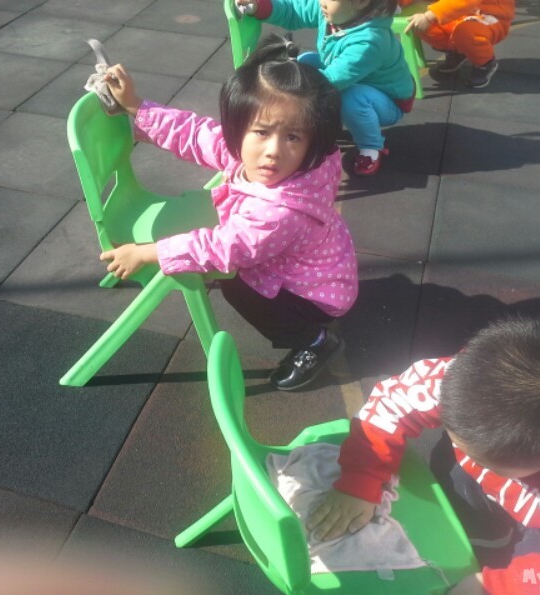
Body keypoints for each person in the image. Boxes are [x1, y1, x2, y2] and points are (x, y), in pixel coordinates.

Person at [99, 35, 359, 392]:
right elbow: (197, 134)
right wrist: (137, 107)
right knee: (233, 267)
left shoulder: (279, 212)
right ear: (239, 128)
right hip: (318, 266)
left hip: (314, 296)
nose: (273, 151)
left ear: (312, 141)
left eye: (293, 138)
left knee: (236, 285)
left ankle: (314, 342)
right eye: (262, 132)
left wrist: (147, 252)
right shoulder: (256, 156)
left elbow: (221, 248)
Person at [307, 316, 540, 595]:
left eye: (488, 461)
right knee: (465, 490)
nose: (469, 455)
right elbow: (393, 400)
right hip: (504, 486)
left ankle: (502, 555)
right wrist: (360, 480)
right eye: (456, 436)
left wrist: (500, 587)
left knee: (538, 566)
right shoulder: (470, 380)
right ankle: (486, 542)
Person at [236, 0, 415, 176]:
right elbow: (294, 11)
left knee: (352, 99)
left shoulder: (370, 42)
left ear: (361, 2)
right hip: (356, 78)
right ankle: (319, 123)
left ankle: (371, 147)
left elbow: (330, 81)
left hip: (390, 100)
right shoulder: (334, 10)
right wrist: (260, 6)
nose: (321, 2)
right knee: (306, 62)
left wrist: (283, 93)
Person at [402, 0, 514, 89]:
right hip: (459, 13)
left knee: (466, 32)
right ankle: (458, 51)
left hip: (490, 16)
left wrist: (429, 16)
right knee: (419, 24)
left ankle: (486, 63)